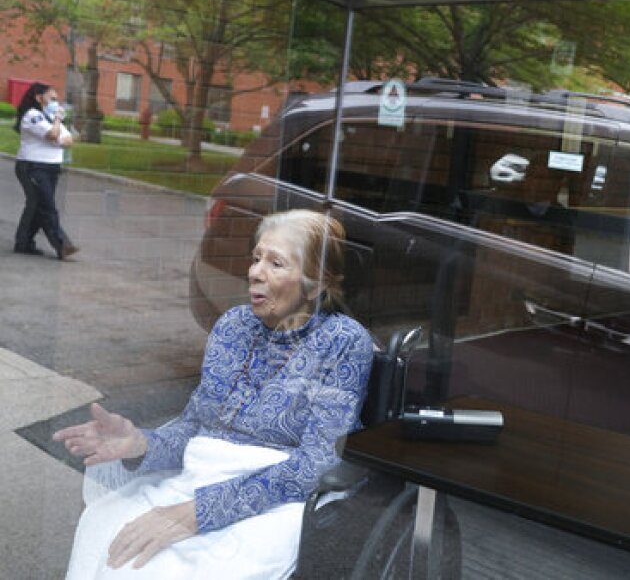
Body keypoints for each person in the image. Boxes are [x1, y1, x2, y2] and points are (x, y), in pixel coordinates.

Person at [53, 209, 374, 579]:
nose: (255, 272)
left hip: (281, 498)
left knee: (166, 567)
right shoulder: (233, 327)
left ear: (317, 284)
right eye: (256, 258)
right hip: (201, 475)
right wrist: (140, 443)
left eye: (276, 263)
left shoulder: (343, 341)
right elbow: (194, 427)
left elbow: (319, 462)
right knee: (106, 526)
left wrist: (199, 512)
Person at [13, 82, 79, 259]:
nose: (56, 104)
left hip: (51, 168)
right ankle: (62, 245)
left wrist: (56, 131)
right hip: (33, 166)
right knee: (46, 206)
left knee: (36, 205)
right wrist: (57, 124)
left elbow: (68, 140)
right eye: (52, 99)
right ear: (38, 97)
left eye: (57, 100)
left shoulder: (49, 118)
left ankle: (23, 242)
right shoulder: (32, 115)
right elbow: (53, 135)